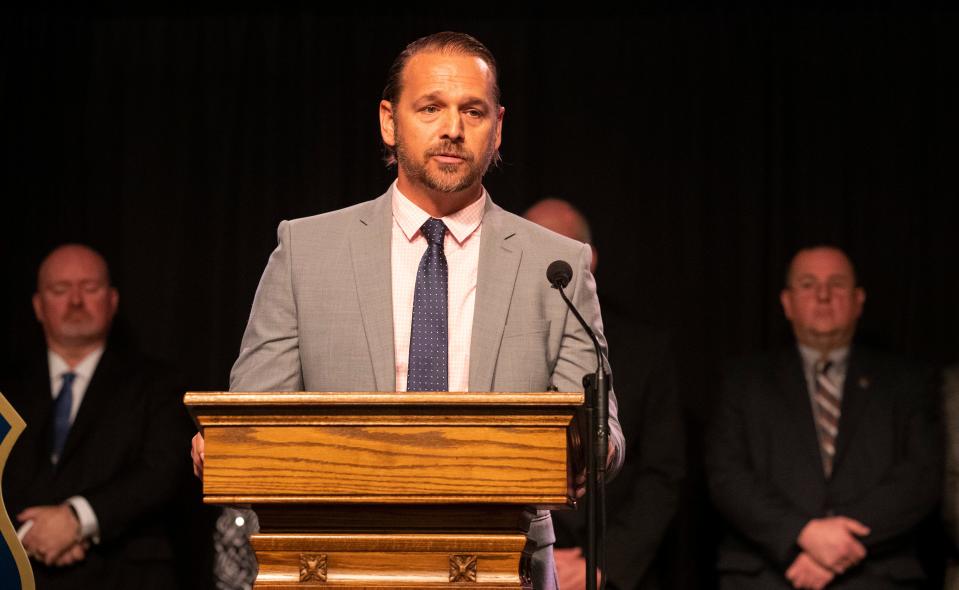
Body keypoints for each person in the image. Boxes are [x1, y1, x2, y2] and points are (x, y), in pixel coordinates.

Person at [191, 32, 625, 589]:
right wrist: (230, 443)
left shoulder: (557, 265)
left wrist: (588, 448)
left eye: (473, 110)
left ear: (498, 128)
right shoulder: (306, 251)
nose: (452, 128)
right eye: (430, 108)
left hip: (505, 565)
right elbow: (255, 415)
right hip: (331, 564)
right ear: (389, 122)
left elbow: (599, 432)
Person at [706, 245, 941, 589]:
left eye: (837, 284)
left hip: (876, 573)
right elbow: (726, 474)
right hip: (768, 573)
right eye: (807, 284)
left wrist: (837, 547)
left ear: (859, 299)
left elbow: (921, 475)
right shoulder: (743, 381)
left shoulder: (907, 381)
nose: (823, 295)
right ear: (786, 302)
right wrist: (802, 534)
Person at [1, 244, 193, 589]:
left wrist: (77, 519)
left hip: (127, 576)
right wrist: (32, 534)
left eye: (89, 288)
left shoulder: (159, 384)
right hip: (18, 574)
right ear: (37, 306)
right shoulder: (6, 389)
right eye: (60, 289)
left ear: (113, 300)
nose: (76, 301)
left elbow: (164, 471)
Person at [524, 198, 684, 589]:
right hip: (512, 561)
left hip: (604, 568)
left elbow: (661, 475)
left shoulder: (644, 349)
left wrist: (605, 561)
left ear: (587, 260)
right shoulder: (486, 336)